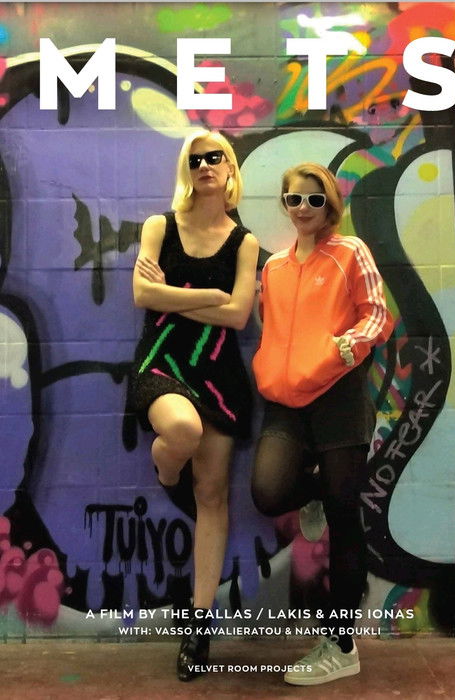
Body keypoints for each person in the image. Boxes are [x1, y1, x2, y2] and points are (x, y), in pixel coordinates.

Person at [251, 162, 393, 686]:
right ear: (285, 205)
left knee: (344, 515)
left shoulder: (350, 251)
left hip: (339, 395)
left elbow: (376, 313)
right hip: (286, 401)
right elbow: (272, 328)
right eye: (294, 199)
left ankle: (341, 644)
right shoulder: (274, 267)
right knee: (268, 490)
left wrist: (349, 344)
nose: (304, 208)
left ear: (329, 203)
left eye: (314, 199)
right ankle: (312, 492)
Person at [132, 129, 259, 681]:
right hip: (161, 360)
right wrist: (210, 296)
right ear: (187, 170)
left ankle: (199, 625)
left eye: (216, 157)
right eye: (196, 158)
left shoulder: (244, 242)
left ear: (230, 169)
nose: (206, 165)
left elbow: (239, 316)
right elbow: (142, 295)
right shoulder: (159, 226)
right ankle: (166, 471)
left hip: (220, 375)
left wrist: (175, 297)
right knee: (181, 430)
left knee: (211, 495)